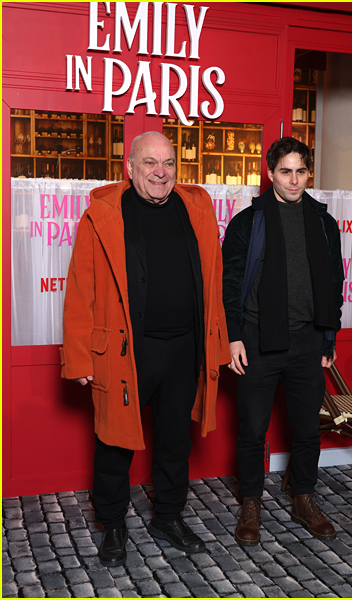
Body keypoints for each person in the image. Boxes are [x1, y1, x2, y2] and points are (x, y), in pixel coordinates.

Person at [61, 131, 231, 567]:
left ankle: (168, 517)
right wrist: (79, 357)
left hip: (184, 349)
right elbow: (81, 289)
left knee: (175, 440)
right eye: (150, 163)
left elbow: (213, 282)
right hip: (125, 353)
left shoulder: (196, 207)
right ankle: (113, 525)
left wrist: (218, 343)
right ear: (130, 168)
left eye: (169, 163)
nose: (161, 172)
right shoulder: (103, 214)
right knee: (114, 442)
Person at [222, 137, 344, 546]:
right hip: (258, 339)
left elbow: (333, 281)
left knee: (308, 428)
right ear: (270, 173)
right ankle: (251, 502)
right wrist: (234, 337)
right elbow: (231, 282)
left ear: (309, 173)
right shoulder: (248, 221)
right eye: (285, 171)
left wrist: (329, 337)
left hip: (308, 340)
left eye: (301, 171)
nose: (294, 180)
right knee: (252, 429)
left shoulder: (323, 221)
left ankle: (303, 498)